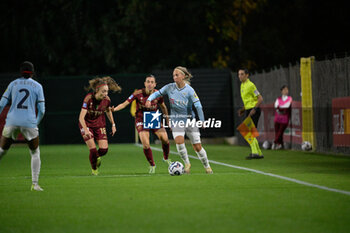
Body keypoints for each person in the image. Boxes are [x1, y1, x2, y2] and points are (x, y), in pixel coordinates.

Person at [146, 66, 213, 174]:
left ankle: (207, 166)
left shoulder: (190, 90)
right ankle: (187, 164)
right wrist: (149, 99)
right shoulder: (169, 87)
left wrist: (202, 120)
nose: (174, 77)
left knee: (197, 146)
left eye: (177, 75)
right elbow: (156, 93)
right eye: (173, 75)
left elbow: (198, 105)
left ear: (183, 76)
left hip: (190, 120)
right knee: (179, 141)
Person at [0, 61, 45, 191]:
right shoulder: (37, 86)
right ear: (33, 72)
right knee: (35, 152)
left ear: (20, 72)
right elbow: (42, 109)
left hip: (12, 121)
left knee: (3, 150)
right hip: (29, 122)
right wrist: (35, 122)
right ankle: (35, 184)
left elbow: (1, 104)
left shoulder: (13, 84)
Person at [113, 75, 171, 174]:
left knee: (165, 139)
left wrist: (168, 120)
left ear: (155, 84)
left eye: (152, 82)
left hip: (153, 117)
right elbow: (124, 103)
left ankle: (166, 158)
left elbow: (163, 107)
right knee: (146, 144)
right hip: (141, 119)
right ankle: (152, 165)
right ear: (145, 84)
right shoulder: (137, 93)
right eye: (148, 81)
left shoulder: (158, 94)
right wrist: (114, 109)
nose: (150, 84)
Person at [78, 76, 121, 175]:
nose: (105, 94)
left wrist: (113, 124)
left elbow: (108, 111)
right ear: (97, 90)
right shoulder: (88, 98)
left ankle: (95, 157)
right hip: (86, 124)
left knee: (104, 150)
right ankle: (94, 169)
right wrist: (86, 130)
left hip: (99, 125)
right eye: (103, 91)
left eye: (107, 91)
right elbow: (81, 118)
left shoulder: (107, 100)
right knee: (93, 150)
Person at [237, 68, 264, 159]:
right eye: (239, 74)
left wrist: (254, 108)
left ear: (247, 75)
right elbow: (248, 101)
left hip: (254, 110)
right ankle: (258, 153)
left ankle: (255, 152)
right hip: (249, 110)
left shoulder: (251, 85)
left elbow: (260, 98)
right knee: (249, 131)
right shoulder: (242, 85)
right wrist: (243, 109)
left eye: (242, 74)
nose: (240, 76)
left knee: (247, 131)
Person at [272, 85, 292, 150]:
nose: (286, 91)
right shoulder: (278, 99)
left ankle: (274, 142)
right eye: (284, 90)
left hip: (285, 118)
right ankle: (281, 144)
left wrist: (279, 107)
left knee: (281, 131)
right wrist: (279, 108)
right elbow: (276, 106)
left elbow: (287, 105)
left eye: (287, 89)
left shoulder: (289, 98)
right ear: (281, 91)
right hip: (277, 118)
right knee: (277, 132)